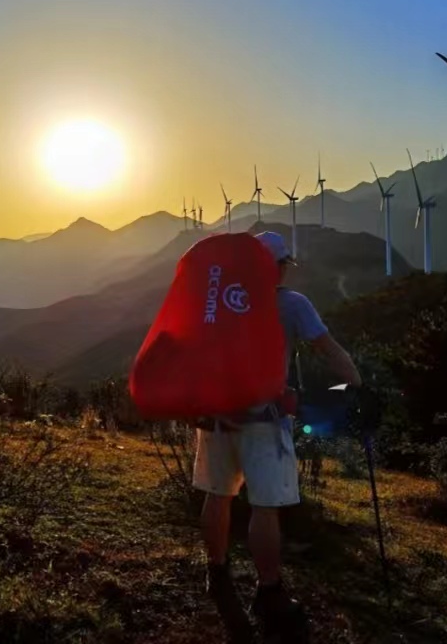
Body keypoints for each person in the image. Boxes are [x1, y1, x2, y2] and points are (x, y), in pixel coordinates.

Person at [193, 230, 363, 641]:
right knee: (265, 508)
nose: (286, 271)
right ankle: (269, 591)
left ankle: (216, 572)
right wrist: (357, 383)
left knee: (218, 496)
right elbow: (328, 349)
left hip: (215, 416)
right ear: (276, 267)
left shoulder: (215, 299)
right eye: (284, 264)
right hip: (264, 420)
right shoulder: (292, 304)